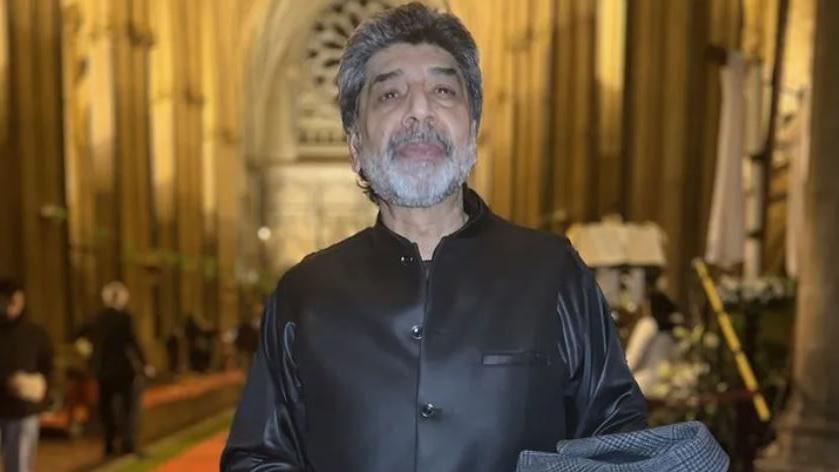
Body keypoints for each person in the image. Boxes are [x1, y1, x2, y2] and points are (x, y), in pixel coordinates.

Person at [222, 4, 646, 471]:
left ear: (474, 128)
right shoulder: (304, 294)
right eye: (390, 95)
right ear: (355, 144)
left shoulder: (553, 273)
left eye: (444, 90)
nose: (419, 109)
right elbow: (257, 458)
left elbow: (619, 440)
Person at [90, 281, 154, 457]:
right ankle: (129, 443)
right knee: (131, 407)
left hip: (103, 370)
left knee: (106, 409)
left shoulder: (97, 318)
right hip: (124, 370)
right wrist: (145, 364)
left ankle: (109, 444)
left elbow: (84, 337)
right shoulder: (126, 318)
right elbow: (133, 342)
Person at [0, 279, 53, 472]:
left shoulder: (35, 334)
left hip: (23, 412)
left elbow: (47, 368)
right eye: (7, 299)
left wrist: (39, 389)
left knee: (19, 466)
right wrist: (8, 381)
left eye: (17, 299)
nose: (12, 304)